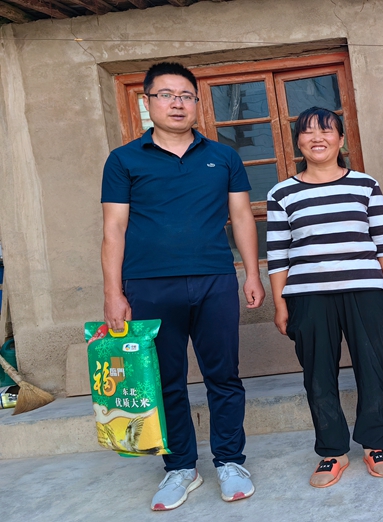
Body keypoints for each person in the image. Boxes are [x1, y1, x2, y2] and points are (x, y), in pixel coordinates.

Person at [101, 62, 266, 510]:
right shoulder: (124, 160)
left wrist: (252, 273)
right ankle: (180, 468)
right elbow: (114, 228)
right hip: (149, 286)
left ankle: (230, 461)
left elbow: (241, 217)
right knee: (165, 380)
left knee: (224, 376)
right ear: (148, 102)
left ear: (197, 103)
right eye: (166, 95)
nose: (177, 103)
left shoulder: (224, 157)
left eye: (186, 96)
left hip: (214, 279)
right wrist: (114, 293)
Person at [267, 107, 383, 487]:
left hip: (365, 291)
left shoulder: (365, 185)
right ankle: (332, 451)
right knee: (318, 374)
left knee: (372, 368)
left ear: (341, 139)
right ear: (298, 142)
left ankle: (375, 444)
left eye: (326, 131)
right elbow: (277, 255)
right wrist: (280, 304)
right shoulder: (282, 193)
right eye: (308, 131)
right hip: (308, 296)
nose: (317, 138)